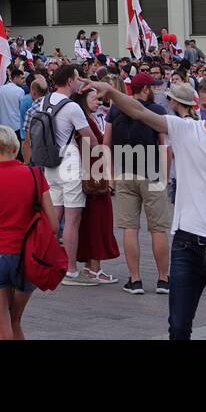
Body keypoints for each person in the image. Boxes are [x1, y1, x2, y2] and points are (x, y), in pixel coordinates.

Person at [90, 76, 206, 340]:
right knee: (178, 326)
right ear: (199, 103)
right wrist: (113, 94)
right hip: (187, 245)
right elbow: (139, 110)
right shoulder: (186, 130)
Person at [0, 125, 55, 340]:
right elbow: (53, 224)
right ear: (15, 148)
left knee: (1, 324)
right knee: (14, 320)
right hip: (28, 257)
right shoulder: (35, 175)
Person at [28, 64, 97, 285]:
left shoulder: (43, 101)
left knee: (53, 216)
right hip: (69, 161)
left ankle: (43, 259)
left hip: (49, 162)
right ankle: (71, 269)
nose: (79, 83)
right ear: (69, 81)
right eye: (77, 79)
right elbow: (90, 139)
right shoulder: (72, 107)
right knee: (72, 220)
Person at [106, 72, 171, 295]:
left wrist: (111, 174)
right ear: (145, 89)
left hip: (125, 173)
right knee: (158, 229)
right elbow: (164, 147)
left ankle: (135, 280)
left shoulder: (115, 111)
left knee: (130, 229)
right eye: (151, 87)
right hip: (152, 173)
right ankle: (163, 279)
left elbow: (106, 144)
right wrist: (166, 175)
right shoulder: (157, 111)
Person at [72, 88, 118, 282]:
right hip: (95, 179)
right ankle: (95, 268)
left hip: (89, 177)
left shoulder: (85, 120)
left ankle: (90, 266)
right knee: (98, 222)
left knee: (91, 222)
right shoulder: (86, 122)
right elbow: (95, 150)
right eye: (94, 99)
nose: (99, 102)